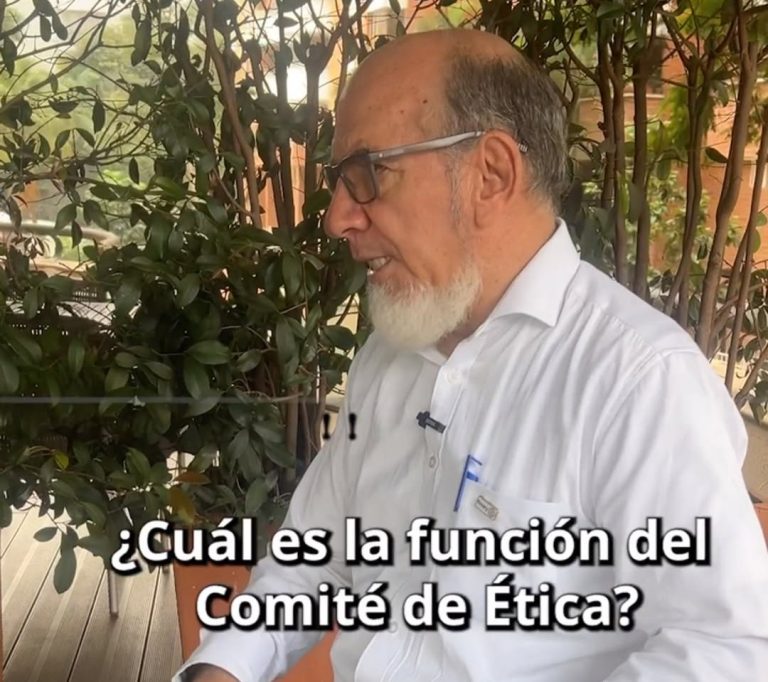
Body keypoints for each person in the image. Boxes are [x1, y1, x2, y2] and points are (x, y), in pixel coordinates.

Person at [173, 28, 768, 682]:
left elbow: (727, 648)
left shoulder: (637, 380)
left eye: (368, 174)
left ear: (491, 174)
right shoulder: (388, 360)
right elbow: (314, 562)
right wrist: (218, 671)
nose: (337, 218)